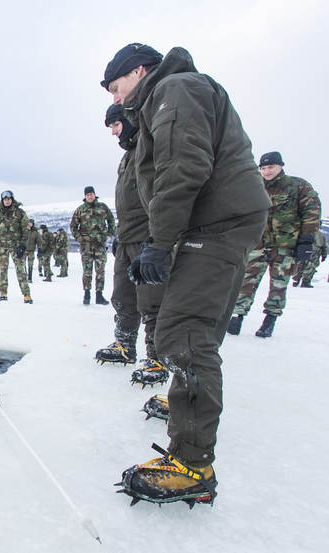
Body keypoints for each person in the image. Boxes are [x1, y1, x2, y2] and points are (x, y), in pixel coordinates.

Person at [102, 43, 270, 505]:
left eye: (118, 89)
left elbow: (182, 167)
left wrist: (159, 242)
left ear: (138, 72)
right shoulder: (168, 94)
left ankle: (192, 467)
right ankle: (184, 409)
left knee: (183, 332)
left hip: (215, 222)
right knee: (189, 327)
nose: (118, 100)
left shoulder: (174, 89)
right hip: (211, 221)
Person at [94, 104, 168, 385]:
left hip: (147, 237)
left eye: (115, 125)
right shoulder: (128, 156)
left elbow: (161, 195)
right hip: (126, 237)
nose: (113, 132)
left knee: (151, 301)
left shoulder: (150, 149)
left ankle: (157, 357)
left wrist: (158, 238)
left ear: (129, 120)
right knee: (124, 298)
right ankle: (124, 344)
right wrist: (118, 236)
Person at [226, 152, 321, 337]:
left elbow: (312, 212)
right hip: (258, 245)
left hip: (286, 246)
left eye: (271, 167)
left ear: (280, 166)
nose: (267, 171)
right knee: (246, 282)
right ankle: (237, 317)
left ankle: (270, 320)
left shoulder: (298, 186)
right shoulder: (254, 187)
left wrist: (306, 240)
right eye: (263, 168)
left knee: (278, 286)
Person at [70, 186, 114, 305]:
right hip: (86, 246)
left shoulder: (103, 207)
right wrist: (79, 239)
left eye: (91, 194)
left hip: (100, 244)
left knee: (100, 270)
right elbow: (73, 226)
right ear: (85, 196)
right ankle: (87, 294)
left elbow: (111, 220)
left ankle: (99, 295)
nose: (90, 196)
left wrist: (109, 235)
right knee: (87, 271)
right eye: (88, 194)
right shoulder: (80, 210)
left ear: (95, 195)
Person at [0, 190, 32, 303]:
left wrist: (23, 245)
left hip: (16, 247)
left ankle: (26, 294)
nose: (7, 201)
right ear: (2, 201)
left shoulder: (20, 213)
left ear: (12, 200)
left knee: (20, 270)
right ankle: (3, 293)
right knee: (2, 271)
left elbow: (26, 229)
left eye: (8, 199)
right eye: (5, 199)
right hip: (2, 247)